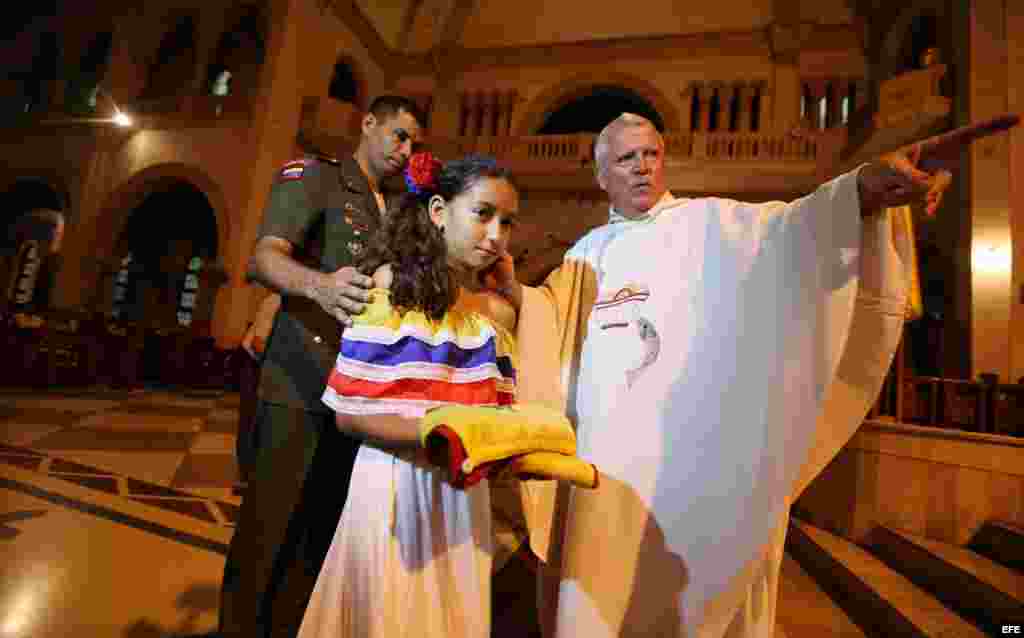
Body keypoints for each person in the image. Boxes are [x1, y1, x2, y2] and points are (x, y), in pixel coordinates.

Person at [485, 112, 1009, 637]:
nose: (643, 167)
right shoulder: (585, 254)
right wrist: (514, 293)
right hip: (602, 477)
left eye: (652, 154)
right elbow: (547, 326)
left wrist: (866, 189)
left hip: (686, 472)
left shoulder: (713, 225)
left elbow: (798, 229)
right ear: (602, 176)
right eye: (627, 158)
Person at [217, 95, 426, 638]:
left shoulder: (402, 206)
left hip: (359, 395)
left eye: (414, 143)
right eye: (398, 135)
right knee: (268, 531)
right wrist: (319, 285)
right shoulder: (317, 177)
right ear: (368, 124)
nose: (405, 150)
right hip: (299, 377)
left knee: (320, 535)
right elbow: (264, 257)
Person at [295, 154, 521, 638]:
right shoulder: (392, 286)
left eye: (507, 222)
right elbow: (349, 418)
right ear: (438, 211)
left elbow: (500, 423)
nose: (497, 235)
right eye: (483, 214)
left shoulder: (498, 314)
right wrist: (436, 430)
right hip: (395, 482)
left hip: (463, 498)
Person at [235, 292, 280, 485]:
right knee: (250, 418)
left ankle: (259, 473)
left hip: (270, 364)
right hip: (254, 363)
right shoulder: (275, 300)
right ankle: (245, 476)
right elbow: (258, 343)